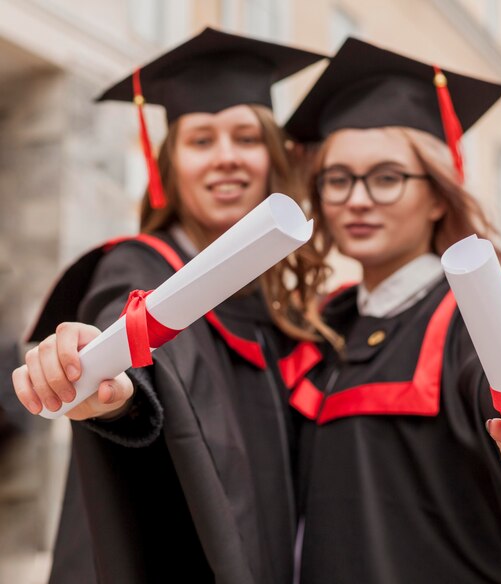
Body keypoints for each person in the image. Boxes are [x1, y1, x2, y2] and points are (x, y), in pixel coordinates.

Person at [283, 37, 501, 583]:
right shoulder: (327, 327)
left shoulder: (474, 311)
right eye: (338, 179)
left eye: (388, 177)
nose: (358, 199)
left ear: (439, 196)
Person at [11, 27, 326, 584]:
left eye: (247, 139)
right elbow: (124, 342)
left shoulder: (281, 314)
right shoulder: (139, 268)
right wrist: (109, 386)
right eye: (201, 141)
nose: (226, 158)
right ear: (168, 165)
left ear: (274, 158)